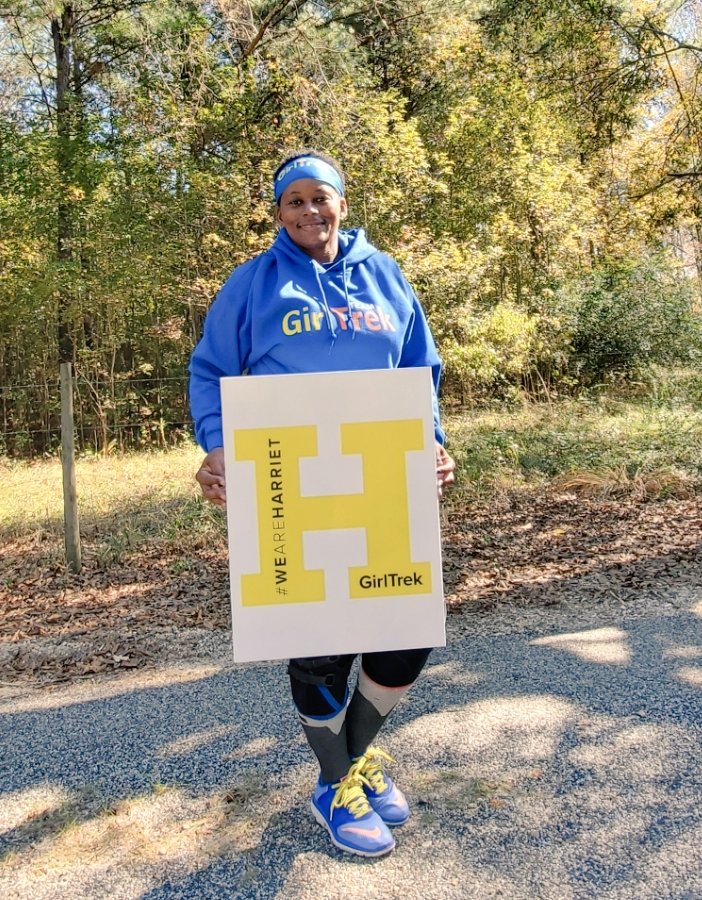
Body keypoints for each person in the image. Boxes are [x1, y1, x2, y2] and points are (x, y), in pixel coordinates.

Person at [189, 150, 455, 858]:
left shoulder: (385, 274)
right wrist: (218, 449)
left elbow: (420, 367)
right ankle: (334, 784)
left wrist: (431, 443)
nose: (309, 212)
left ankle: (353, 758)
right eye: (293, 202)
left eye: (320, 198)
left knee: (405, 630)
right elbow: (211, 370)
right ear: (279, 212)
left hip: (382, 481)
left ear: (342, 200)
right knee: (319, 646)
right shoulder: (253, 284)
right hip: (290, 485)